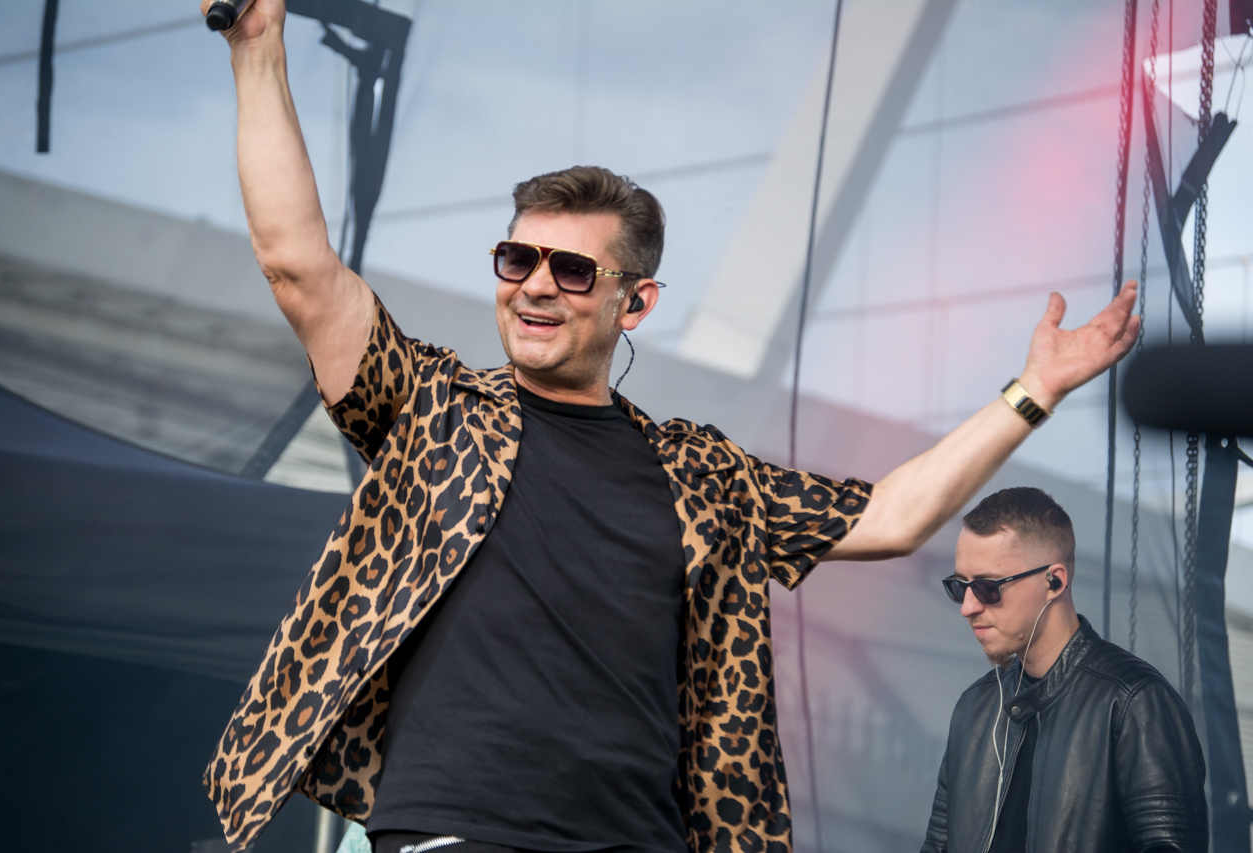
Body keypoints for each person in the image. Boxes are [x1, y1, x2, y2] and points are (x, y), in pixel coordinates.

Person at [200, 2, 1141, 851]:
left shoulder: (700, 472)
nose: (535, 285)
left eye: (572, 269)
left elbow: (890, 516)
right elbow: (299, 268)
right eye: (518, 258)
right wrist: (257, 48)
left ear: (636, 303)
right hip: (457, 829)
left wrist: (1034, 389)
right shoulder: (437, 409)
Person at [921, 488, 1208, 853]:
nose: (968, 607)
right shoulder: (973, 708)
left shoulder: (1135, 703)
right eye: (959, 587)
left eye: (987, 587)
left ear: (1053, 581)